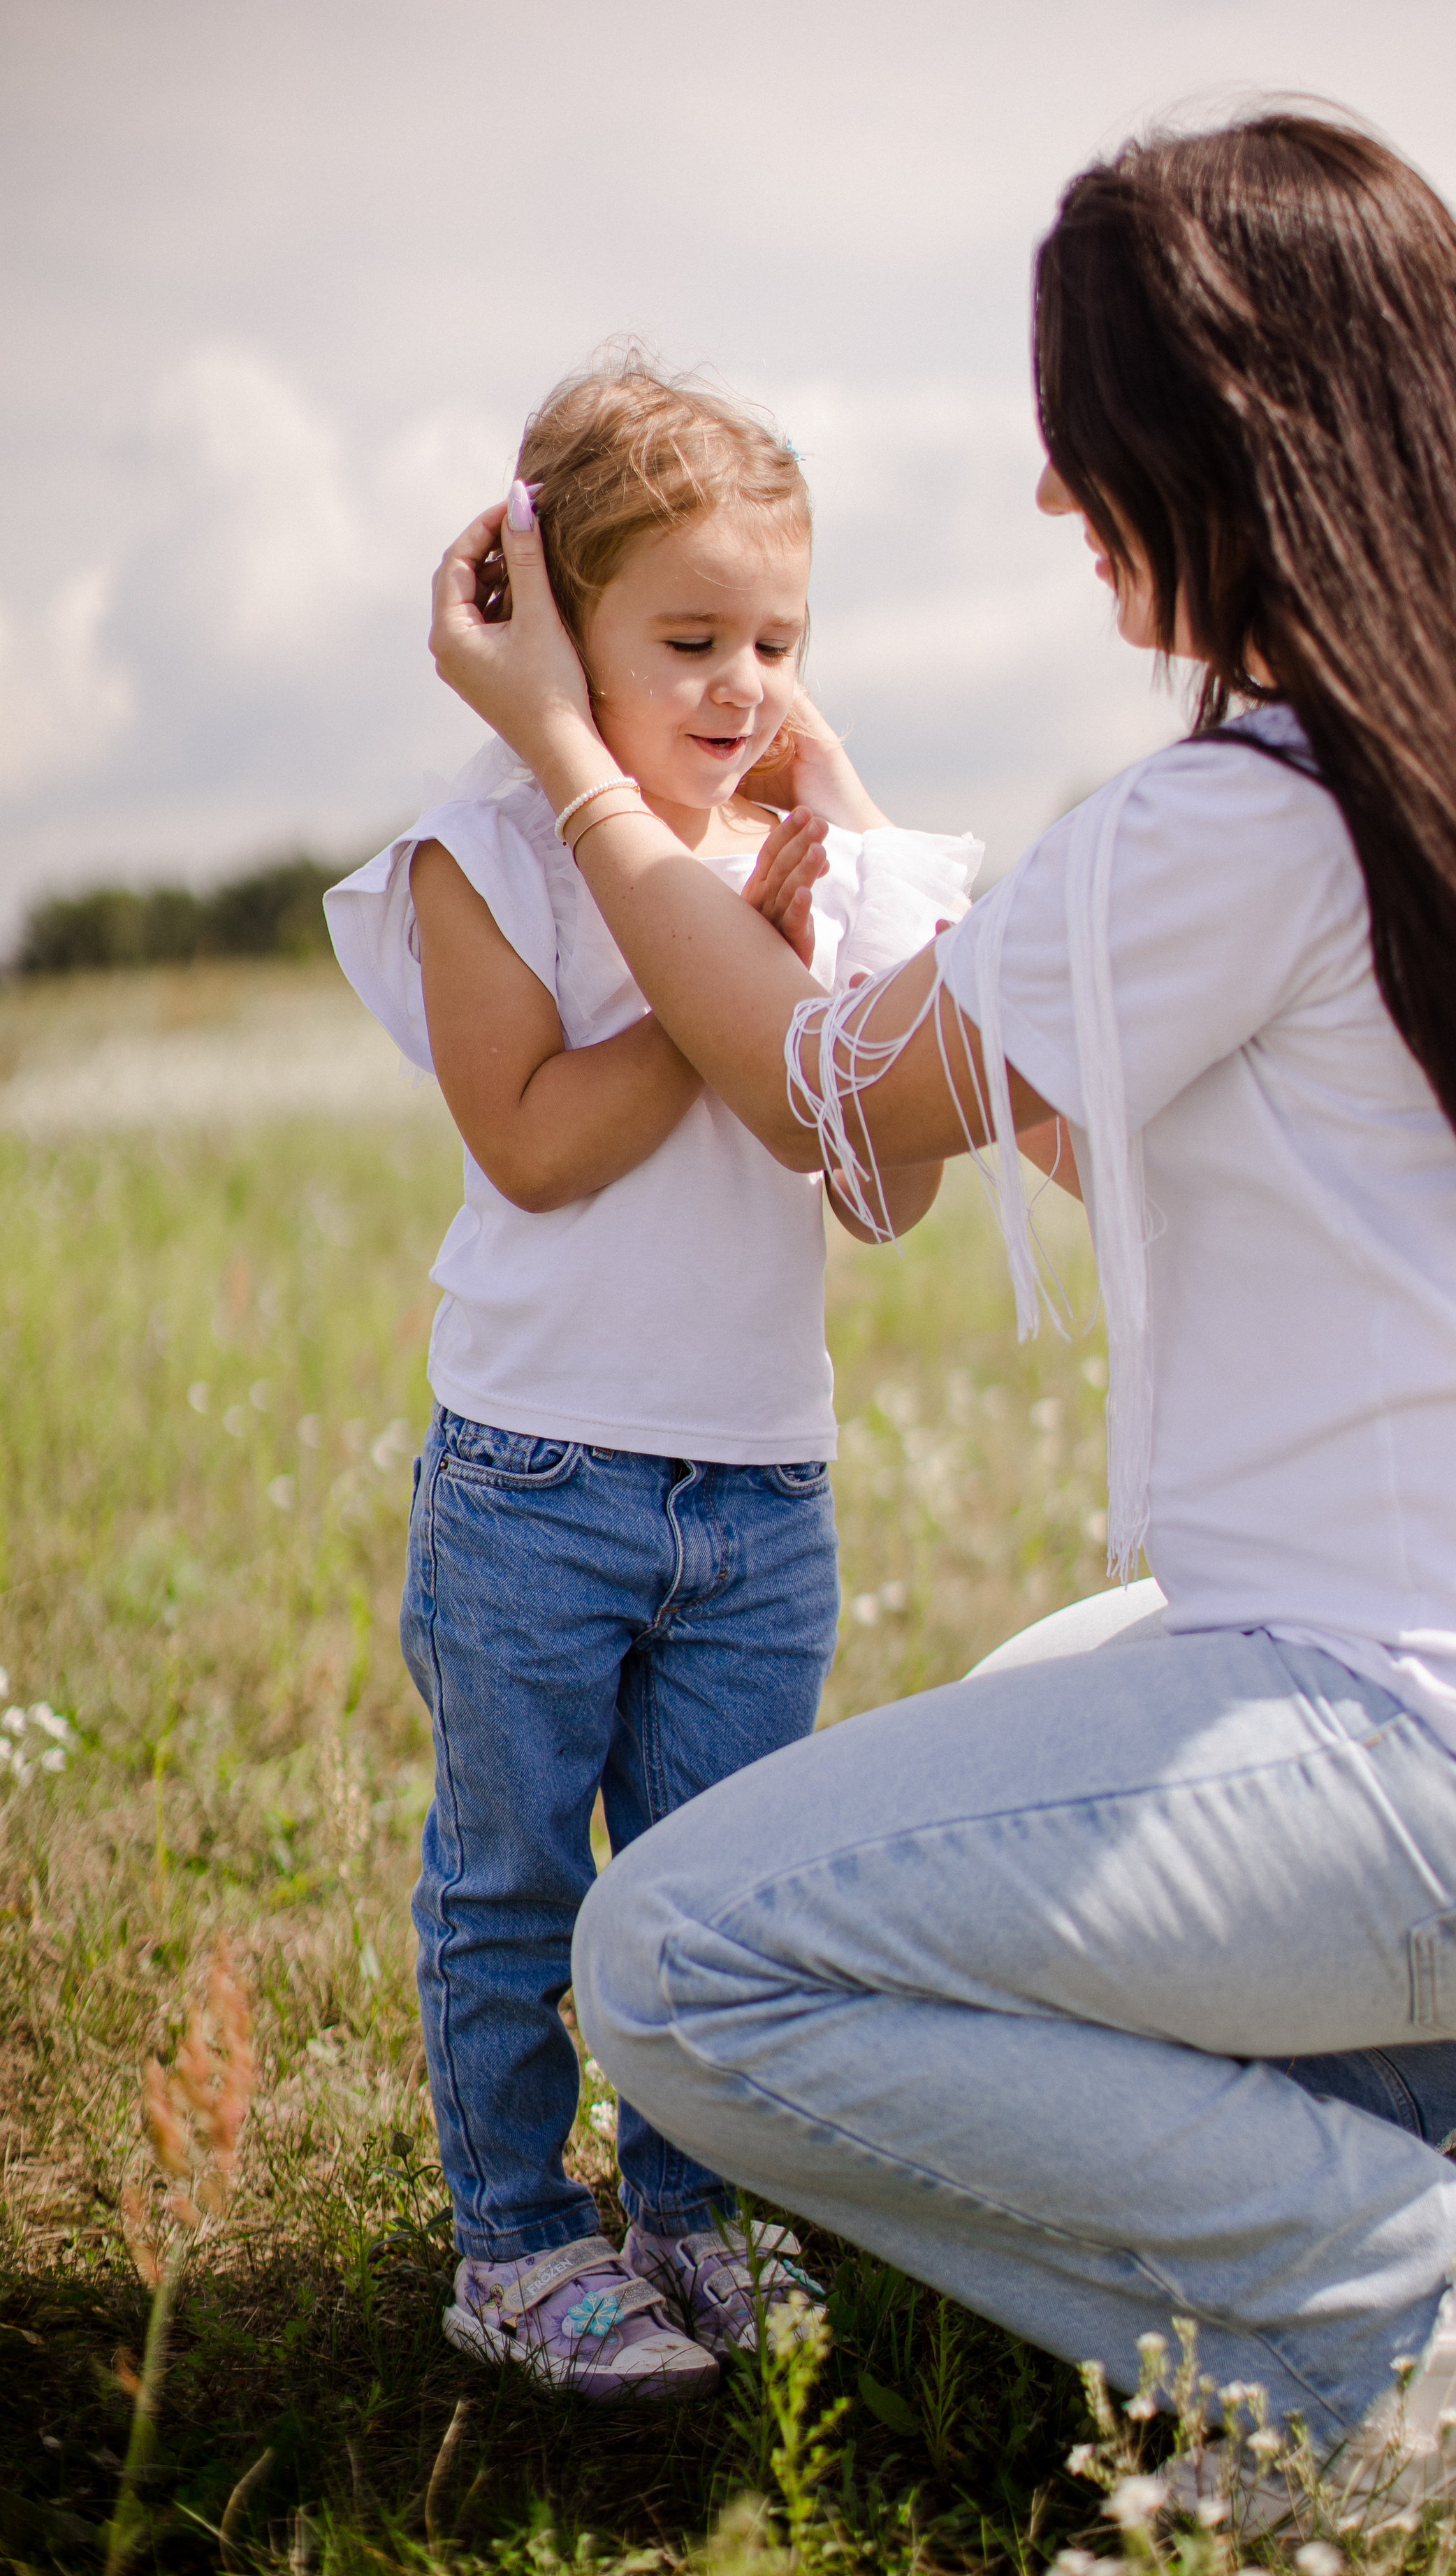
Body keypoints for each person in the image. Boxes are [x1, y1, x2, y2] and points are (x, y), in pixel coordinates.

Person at [424, 119, 1456, 2526]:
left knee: (673, 1957)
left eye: (1090, 425)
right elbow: (1081, 1118)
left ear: (1217, 436)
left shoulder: (1233, 818)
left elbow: (837, 1115)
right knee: (1034, 1698)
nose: (1058, 491)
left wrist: (568, 756)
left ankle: (1410, 2302)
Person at [326, 360, 980, 2404]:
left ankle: (692, 2216)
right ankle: (516, 2238)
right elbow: (528, 1137)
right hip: (541, 1472)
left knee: (713, 1887)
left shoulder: (794, 843)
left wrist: (806, 924)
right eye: (687, 640)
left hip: (759, 1486)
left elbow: (883, 1185)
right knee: (514, 1872)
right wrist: (729, 983)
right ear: (549, 623)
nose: (738, 686)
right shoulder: (482, 857)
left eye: (775, 643)